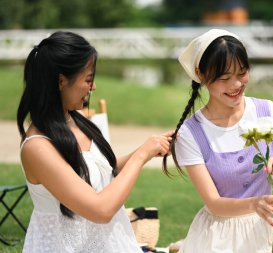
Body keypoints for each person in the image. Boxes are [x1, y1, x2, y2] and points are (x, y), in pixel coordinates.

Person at [17, 31, 172, 253]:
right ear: (61, 81)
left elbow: (99, 173)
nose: (94, 87)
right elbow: (100, 210)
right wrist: (141, 156)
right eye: (88, 79)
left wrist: (153, 147)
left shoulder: (76, 120)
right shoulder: (37, 147)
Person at [162, 29, 273, 252]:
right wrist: (254, 204)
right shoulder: (191, 132)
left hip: (265, 230)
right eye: (225, 78)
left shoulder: (270, 111)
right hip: (218, 236)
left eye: (242, 73)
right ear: (201, 74)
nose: (236, 85)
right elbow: (214, 204)